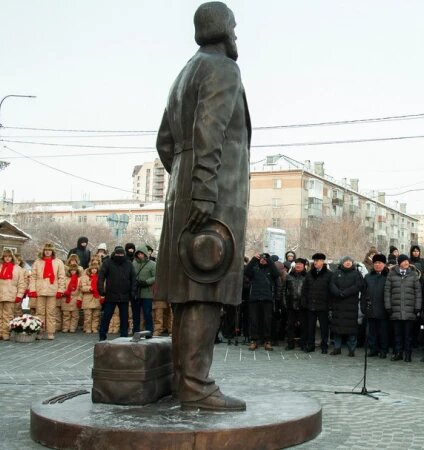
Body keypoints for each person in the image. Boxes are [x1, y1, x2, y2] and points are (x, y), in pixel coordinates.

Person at [154, 0, 250, 413]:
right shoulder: (222, 68)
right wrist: (206, 188)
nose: (236, 34)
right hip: (213, 192)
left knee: (188, 289)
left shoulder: (183, 74)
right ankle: (196, 386)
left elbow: (163, 142)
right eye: (235, 26)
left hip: (183, 187)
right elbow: (210, 128)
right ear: (224, 29)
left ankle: (184, 381)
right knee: (205, 285)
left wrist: (184, 175)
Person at [384, 254, 422, 362]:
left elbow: (418, 293)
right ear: (399, 263)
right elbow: (387, 292)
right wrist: (388, 307)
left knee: (408, 335)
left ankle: (408, 354)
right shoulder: (391, 275)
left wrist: (417, 307)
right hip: (395, 310)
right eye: (404, 261)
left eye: (407, 261)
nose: (406, 263)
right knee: (397, 334)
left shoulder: (414, 275)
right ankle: (398, 353)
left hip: (409, 311)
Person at [0, 249, 26, 341]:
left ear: (12, 257)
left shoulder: (18, 269)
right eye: (5, 256)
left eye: (9, 256)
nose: (7, 258)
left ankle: (6, 333)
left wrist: (19, 295)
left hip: (11, 294)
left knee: (8, 315)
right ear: (3, 257)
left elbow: (21, 284)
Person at [29, 243, 66, 340]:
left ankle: (50, 332)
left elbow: (62, 277)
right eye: (46, 250)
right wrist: (32, 289)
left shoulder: (58, 262)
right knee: (39, 312)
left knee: (51, 312)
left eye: (49, 250)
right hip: (40, 290)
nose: (47, 252)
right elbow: (33, 277)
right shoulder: (38, 262)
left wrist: (60, 290)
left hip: (52, 290)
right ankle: (40, 331)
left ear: (52, 251)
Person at [98, 246, 136, 341]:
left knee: (124, 318)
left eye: (121, 254)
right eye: (118, 254)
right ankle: (102, 336)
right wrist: (101, 290)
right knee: (106, 316)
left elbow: (133, 279)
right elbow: (101, 276)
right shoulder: (108, 262)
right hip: (110, 294)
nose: (119, 256)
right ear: (114, 254)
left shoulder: (129, 264)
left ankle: (124, 337)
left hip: (124, 295)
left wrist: (132, 292)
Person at [329, 256, 365, 356]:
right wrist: (338, 293)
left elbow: (358, 286)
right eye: (346, 261)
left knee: (351, 329)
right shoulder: (336, 273)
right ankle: (337, 348)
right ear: (342, 263)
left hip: (351, 305)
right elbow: (332, 285)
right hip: (338, 304)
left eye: (350, 261)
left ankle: (352, 349)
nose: (348, 263)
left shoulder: (356, 273)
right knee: (337, 328)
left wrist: (345, 293)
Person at [244, 253, 280, 351]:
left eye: (265, 259)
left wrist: (269, 260)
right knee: (254, 320)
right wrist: (253, 259)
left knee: (267, 321)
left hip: (267, 298)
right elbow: (246, 271)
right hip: (254, 298)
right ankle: (254, 341)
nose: (263, 260)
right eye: (261, 258)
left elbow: (277, 274)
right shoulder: (254, 268)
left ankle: (267, 341)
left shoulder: (270, 269)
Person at [302, 253, 332, 353]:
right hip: (311, 305)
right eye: (314, 260)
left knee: (324, 328)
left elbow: (331, 291)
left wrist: (329, 305)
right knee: (311, 327)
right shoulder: (309, 274)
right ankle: (310, 345)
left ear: (323, 262)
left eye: (317, 260)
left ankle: (324, 346)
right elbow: (304, 289)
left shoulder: (329, 274)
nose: (315, 262)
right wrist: (304, 302)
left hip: (323, 306)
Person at [364, 253, 390, 359]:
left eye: (380, 263)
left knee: (383, 332)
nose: (377, 265)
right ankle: (373, 349)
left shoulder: (388, 276)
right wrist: (364, 306)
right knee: (372, 332)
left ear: (384, 264)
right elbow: (364, 292)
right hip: (371, 308)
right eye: (375, 263)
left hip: (383, 309)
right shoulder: (368, 277)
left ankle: (383, 350)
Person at [132, 246, 156, 335]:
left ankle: (149, 332)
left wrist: (146, 282)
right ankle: (136, 331)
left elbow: (156, 276)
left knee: (147, 314)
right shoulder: (134, 263)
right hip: (136, 293)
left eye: (141, 253)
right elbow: (130, 275)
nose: (140, 255)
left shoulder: (152, 264)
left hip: (147, 293)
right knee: (136, 315)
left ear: (145, 254)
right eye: (138, 253)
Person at [284, 257, 307, 350]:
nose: (298, 266)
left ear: (304, 266)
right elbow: (283, 290)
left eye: (300, 264)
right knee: (290, 326)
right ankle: (290, 343)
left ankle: (303, 343)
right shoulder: (289, 276)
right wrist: (284, 303)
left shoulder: (307, 276)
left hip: (303, 305)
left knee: (304, 326)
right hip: (291, 305)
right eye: (297, 264)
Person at [79, 260, 102, 334]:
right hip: (87, 298)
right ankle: (87, 328)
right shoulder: (85, 277)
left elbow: (103, 286)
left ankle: (94, 328)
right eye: (93, 268)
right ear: (90, 269)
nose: (94, 270)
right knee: (88, 315)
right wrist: (90, 288)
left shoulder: (100, 277)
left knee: (96, 315)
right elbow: (82, 287)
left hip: (96, 298)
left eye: (95, 269)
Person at [60, 263, 82, 333]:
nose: (73, 272)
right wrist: (64, 292)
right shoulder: (66, 279)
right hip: (66, 298)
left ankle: (72, 327)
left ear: (77, 271)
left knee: (75, 315)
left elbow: (81, 290)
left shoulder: (79, 280)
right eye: (72, 270)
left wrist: (79, 298)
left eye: (74, 270)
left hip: (75, 298)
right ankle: (66, 327)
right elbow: (62, 286)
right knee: (66, 315)